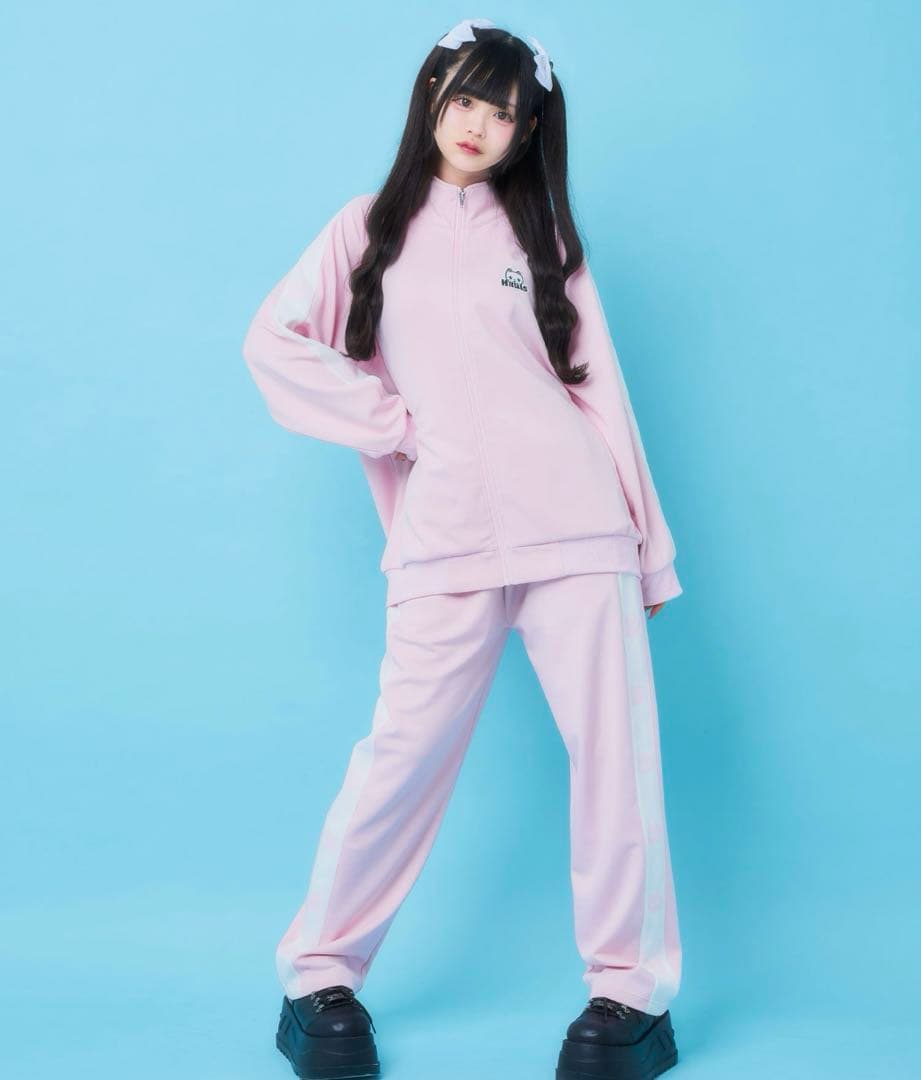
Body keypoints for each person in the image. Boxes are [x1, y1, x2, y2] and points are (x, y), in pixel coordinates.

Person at [242, 17, 683, 1080]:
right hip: (443, 537)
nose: (482, 125)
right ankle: (319, 976)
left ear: (530, 133)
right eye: (469, 99)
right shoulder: (365, 228)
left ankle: (627, 996)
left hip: (578, 525)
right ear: (434, 94)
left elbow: (602, 394)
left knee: (615, 763)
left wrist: (650, 552)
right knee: (401, 756)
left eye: (509, 113)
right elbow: (273, 344)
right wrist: (394, 422)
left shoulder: (546, 241)